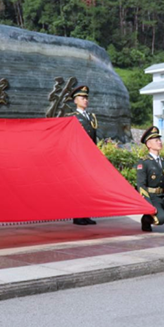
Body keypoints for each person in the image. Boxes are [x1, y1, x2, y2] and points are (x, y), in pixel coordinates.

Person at [69, 85, 98, 226]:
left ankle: (86, 214)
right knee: (78, 186)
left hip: (89, 156)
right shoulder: (72, 117)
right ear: (75, 101)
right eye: (82, 98)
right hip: (78, 156)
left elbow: (94, 139)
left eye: (86, 98)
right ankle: (78, 215)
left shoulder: (91, 117)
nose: (85, 100)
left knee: (88, 186)